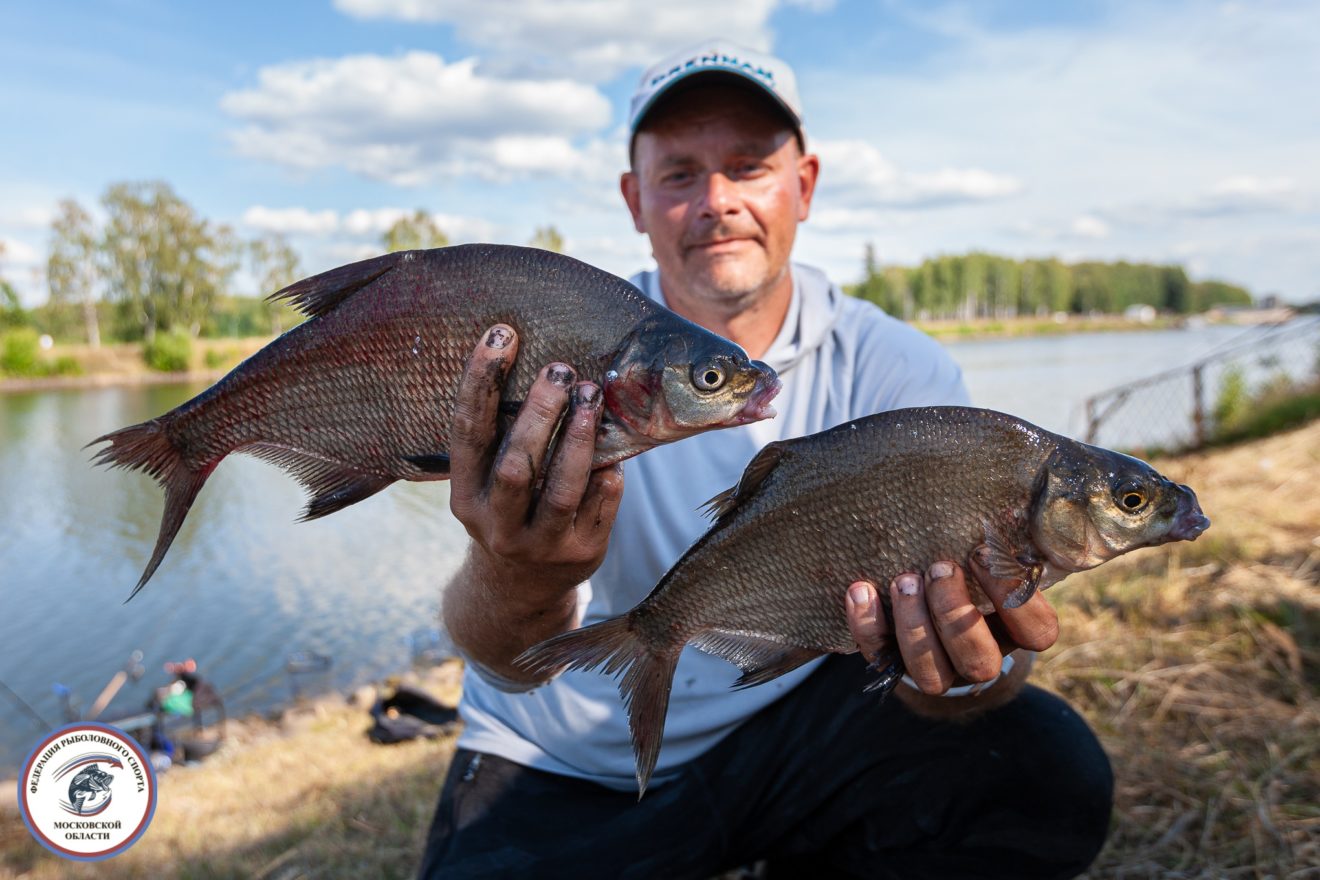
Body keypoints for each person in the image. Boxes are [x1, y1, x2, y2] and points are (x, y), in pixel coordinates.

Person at [421, 41, 1113, 879]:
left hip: (787, 716)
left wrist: (980, 661)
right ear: (635, 201)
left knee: (1046, 768)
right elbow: (500, 656)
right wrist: (514, 574)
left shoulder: (898, 369)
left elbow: (960, 674)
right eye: (679, 174)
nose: (717, 202)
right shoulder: (564, 356)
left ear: (804, 186)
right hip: (563, 757)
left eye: (748, 167)